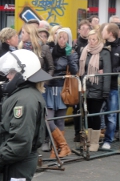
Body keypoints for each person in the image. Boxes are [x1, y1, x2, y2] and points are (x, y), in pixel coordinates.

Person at [0, 49, 50, 181]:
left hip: (17, 163)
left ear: (23, 74)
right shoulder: (21, 95)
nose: (7, 76)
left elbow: (21, 141)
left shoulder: (25, 100)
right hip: (13, 162)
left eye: (11, 72)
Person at [47, 27, 78, 157]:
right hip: (49, 88)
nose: (62, 40)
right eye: (59, 37)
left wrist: (69, 54)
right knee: (48, 120)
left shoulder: (72, 53)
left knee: (60, 121)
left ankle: (56, 149)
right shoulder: (50, 50)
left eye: (64, 38)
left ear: (68, 39)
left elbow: (75, 70)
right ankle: (63, 147)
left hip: (62, 88)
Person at [78, 29, 111, 151]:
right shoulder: (85, 51)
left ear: (99, 40)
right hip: (87, 88)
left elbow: (107, 73)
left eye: (94, 39)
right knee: (88, 114)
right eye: (89, 39)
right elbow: (82, 70)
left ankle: (95, 143)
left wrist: (105, 91)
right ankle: (89, 140)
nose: (91, 42)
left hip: (98, 88)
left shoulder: (104, 52)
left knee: (95, 115)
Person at [101, 23, 120, 150]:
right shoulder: (102, 46)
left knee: (112, 115)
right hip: (101, 85)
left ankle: (108, 139)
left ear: (110, 33)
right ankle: (95, 138)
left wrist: (110, 71)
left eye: (104, 30)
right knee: (98, 113)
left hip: (113, 86)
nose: (101, 32)